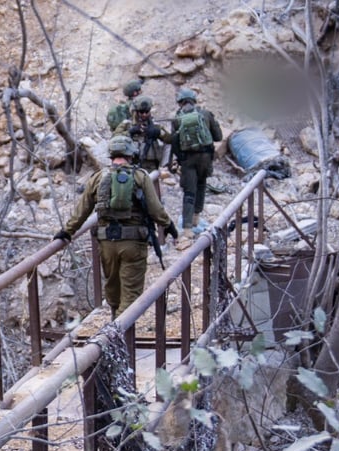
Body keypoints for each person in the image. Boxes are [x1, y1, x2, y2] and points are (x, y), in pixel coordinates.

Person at [53, 136, 177, 316]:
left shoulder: (97, 177)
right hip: (133, 244)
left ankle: (114, 325)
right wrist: (169, 225)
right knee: (131, 295)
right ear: (130, 154)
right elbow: (156, 209)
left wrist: (67, 231)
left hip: (107, 243)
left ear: (111, 155)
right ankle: (120, 334)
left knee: (113, 289)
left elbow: (82, 210)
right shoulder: (140, 176)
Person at [167, 87, 223, 246]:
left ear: (180, 102)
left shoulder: (177, 119)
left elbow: (174, 143)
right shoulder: (205, 114)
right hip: (205, 157)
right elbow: (218, 137)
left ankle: (186, 229)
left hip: (188, 160)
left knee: (189, 192)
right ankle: (196, 218)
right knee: (201, 184)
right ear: (194, 100)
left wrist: (180, 159)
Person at [115, 96, 170, 174]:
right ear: (136, 111)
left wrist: (158, 132)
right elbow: (115, 137)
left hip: (150, 165)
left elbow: (170, 139)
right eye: (141, 112)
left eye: (147, 112)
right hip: (131, 164)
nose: (144, 114)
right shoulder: (127, 124)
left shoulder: (155, 125)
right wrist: (130, 132)